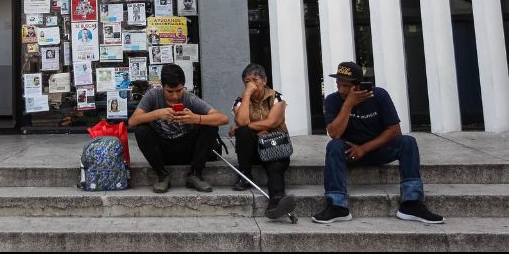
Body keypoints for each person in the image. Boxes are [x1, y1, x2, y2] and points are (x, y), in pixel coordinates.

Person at [312, 61, 444, 224]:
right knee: (333, 146)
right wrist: (348, 104)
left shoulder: (379, 95)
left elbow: (395, 131)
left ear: (357, 86)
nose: (340, 89)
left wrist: (364, 148)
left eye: (345, 85)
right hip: (350, 153)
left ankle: (411, 204)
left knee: (408, 142)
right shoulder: (333, 100)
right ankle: (337, 206)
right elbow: (334, 133)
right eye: (338, 83)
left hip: (377, 149)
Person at [130, 63, 229, 193]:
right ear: (162, 86)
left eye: (179, 90)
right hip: (163, 151)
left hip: (187, 149)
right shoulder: (152, 96)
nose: (175, 96)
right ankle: (162, 175)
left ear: (183, 86)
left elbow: (223, 118)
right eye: (170, 92)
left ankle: (195, 174)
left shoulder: (189, 98)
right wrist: (157, 113)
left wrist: (195, 118)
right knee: (141, 129)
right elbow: (132, 121)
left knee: (210, 125)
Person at [230, 63, 296, 219]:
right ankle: (245, 174)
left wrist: (245, 126)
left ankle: (276, 202)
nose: (252, 84)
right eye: (247, 81)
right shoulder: (240, 101)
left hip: (275, 147)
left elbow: (272, 122)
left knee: (275, 166)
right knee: (244, 132)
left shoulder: (277, 98)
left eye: (255, 79)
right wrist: (247, 95)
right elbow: (241, 119)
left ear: (264, 80)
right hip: (254, 151)